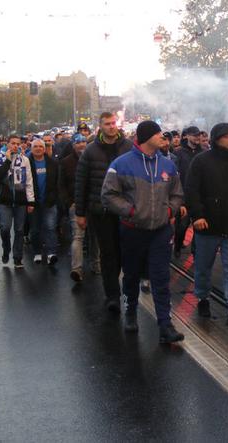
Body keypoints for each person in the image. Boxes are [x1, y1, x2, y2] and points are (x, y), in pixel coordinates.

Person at [101, 121, 185, 343]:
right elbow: (108, 195)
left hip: (161, 231)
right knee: (131, 273)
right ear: (147, 136)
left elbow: (177, 194)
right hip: (133, 230)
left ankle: (165, 324)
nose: (163, 138)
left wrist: (170, 211)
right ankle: (130, 312)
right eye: (158, 134)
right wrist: (129, 211)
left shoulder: (168, 165)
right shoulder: (121, 164)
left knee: (160, 277)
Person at [185, 123, 228, 327]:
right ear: (216, 138)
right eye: (226, 136)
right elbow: (192, 190)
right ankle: (202, 298)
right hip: (207, 225)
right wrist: (197, 215)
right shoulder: (201, 161)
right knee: (203, 265)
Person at [74, 112, 132, 312]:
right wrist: (80, 213)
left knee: (123, 252)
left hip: (124, 209)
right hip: (101, 210)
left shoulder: (128, 147)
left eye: (114, 123)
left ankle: (122, 290)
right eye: (107, 124)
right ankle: (112, 296)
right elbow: (81, 182)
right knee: (108, 253)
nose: (111, 127)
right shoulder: (90, 151)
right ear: (100, 126)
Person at [60, 134, 100, 282]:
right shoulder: (66, 162)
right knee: (78, 237)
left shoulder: (94, 160)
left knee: (95, 236)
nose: (82, 145)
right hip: (76, 204)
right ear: (73, 145)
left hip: (93, 203)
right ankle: (77, 269)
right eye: (78, 142)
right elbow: (61, 185)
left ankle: (96, 264)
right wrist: (68, 202)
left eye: (84, 142)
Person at [0, 134, 35, 268]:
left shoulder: (24, 160)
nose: (16, 146)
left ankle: (18, 257)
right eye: (13, 143)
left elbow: (28, 181)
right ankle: (6, 248)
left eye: (18, 143)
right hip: (5, 200)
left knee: (19, 230)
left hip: (20, 200)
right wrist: (8, 161)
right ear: (7, 144)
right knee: (5, 228)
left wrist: (31, 201)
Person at [28, 139, 60, 265]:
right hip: (33, 202)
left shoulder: (53, 163)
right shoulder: (27, 163)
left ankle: (51, 253)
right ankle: (37, 252)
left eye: (40, 146)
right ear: (31, 149)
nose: (38, 149)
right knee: (35, 229)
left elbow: (57, 181)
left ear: (44, 148)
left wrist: (55, 197)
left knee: (50, 227)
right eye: (35, 146)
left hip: (49, 201)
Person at [173, 126, 203, 257]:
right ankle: (177, 246)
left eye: (198, 135)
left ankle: (195, 251)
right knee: (182, 227)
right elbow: (176, 177)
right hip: (184, 197)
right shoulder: (179, 153)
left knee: (199, 227)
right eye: (194, 135)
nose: (197, 137)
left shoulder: (203, 152)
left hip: (199, 197)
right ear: (187, 136)